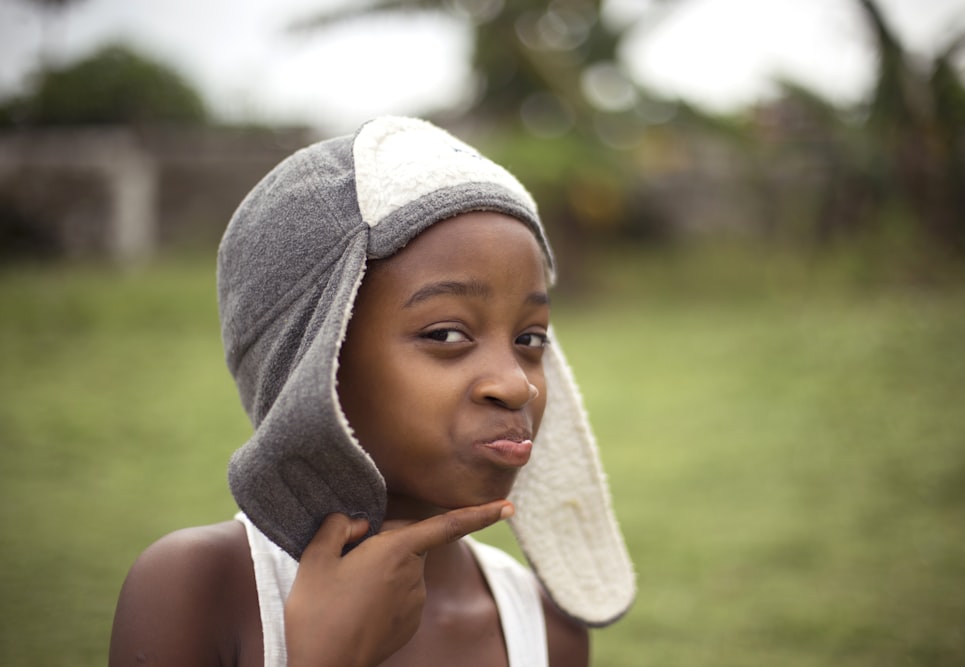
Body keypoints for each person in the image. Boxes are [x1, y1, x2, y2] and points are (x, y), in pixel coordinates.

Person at [109, 116, 635, 667]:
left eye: (530, 338)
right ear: (316, 359)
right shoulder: (200, 590)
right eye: (446, 334)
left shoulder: (547, 628)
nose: (516, 383)